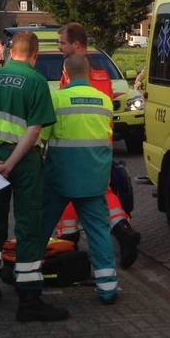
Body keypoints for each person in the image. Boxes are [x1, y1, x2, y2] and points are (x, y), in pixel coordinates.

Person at [0, 32, 66, 322]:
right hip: (22, 164)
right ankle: (29, 299)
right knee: (28, 226)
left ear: (11, 52)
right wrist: (11, 164)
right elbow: (35, 130)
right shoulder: (36, 82)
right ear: (35, 55)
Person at [56, 23, 142, 265]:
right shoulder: (100, 74)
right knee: (103, 193)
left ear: (76, 45)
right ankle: (123, 232)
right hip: (99, 146)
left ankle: (69, 244)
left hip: (76, 147)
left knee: (70, 193)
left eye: (62, 43)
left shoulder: (80, 73)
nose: (60, 47)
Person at [42, 54, 119, 304]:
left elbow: (43, 136)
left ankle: (28, 278)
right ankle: (107, 287)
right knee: (99, 232)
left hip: (60, 178)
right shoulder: (105, 101)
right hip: (94, 179)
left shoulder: (57, 99)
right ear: (88, 73)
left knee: (40, 229)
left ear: (65, 74)